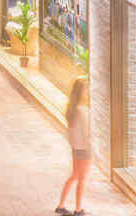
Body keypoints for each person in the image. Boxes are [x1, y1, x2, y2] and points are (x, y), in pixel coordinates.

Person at [55, 77, 91, 216]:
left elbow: (71, 132)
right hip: (85, 149)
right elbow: (88, 133)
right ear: (82, 92)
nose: (87, 92)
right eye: (86, 90)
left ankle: (61, 205)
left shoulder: (72, 110)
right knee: (81, 179)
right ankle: (78, 209)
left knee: (74, 176)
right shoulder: (83, 111)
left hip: (75, 148)